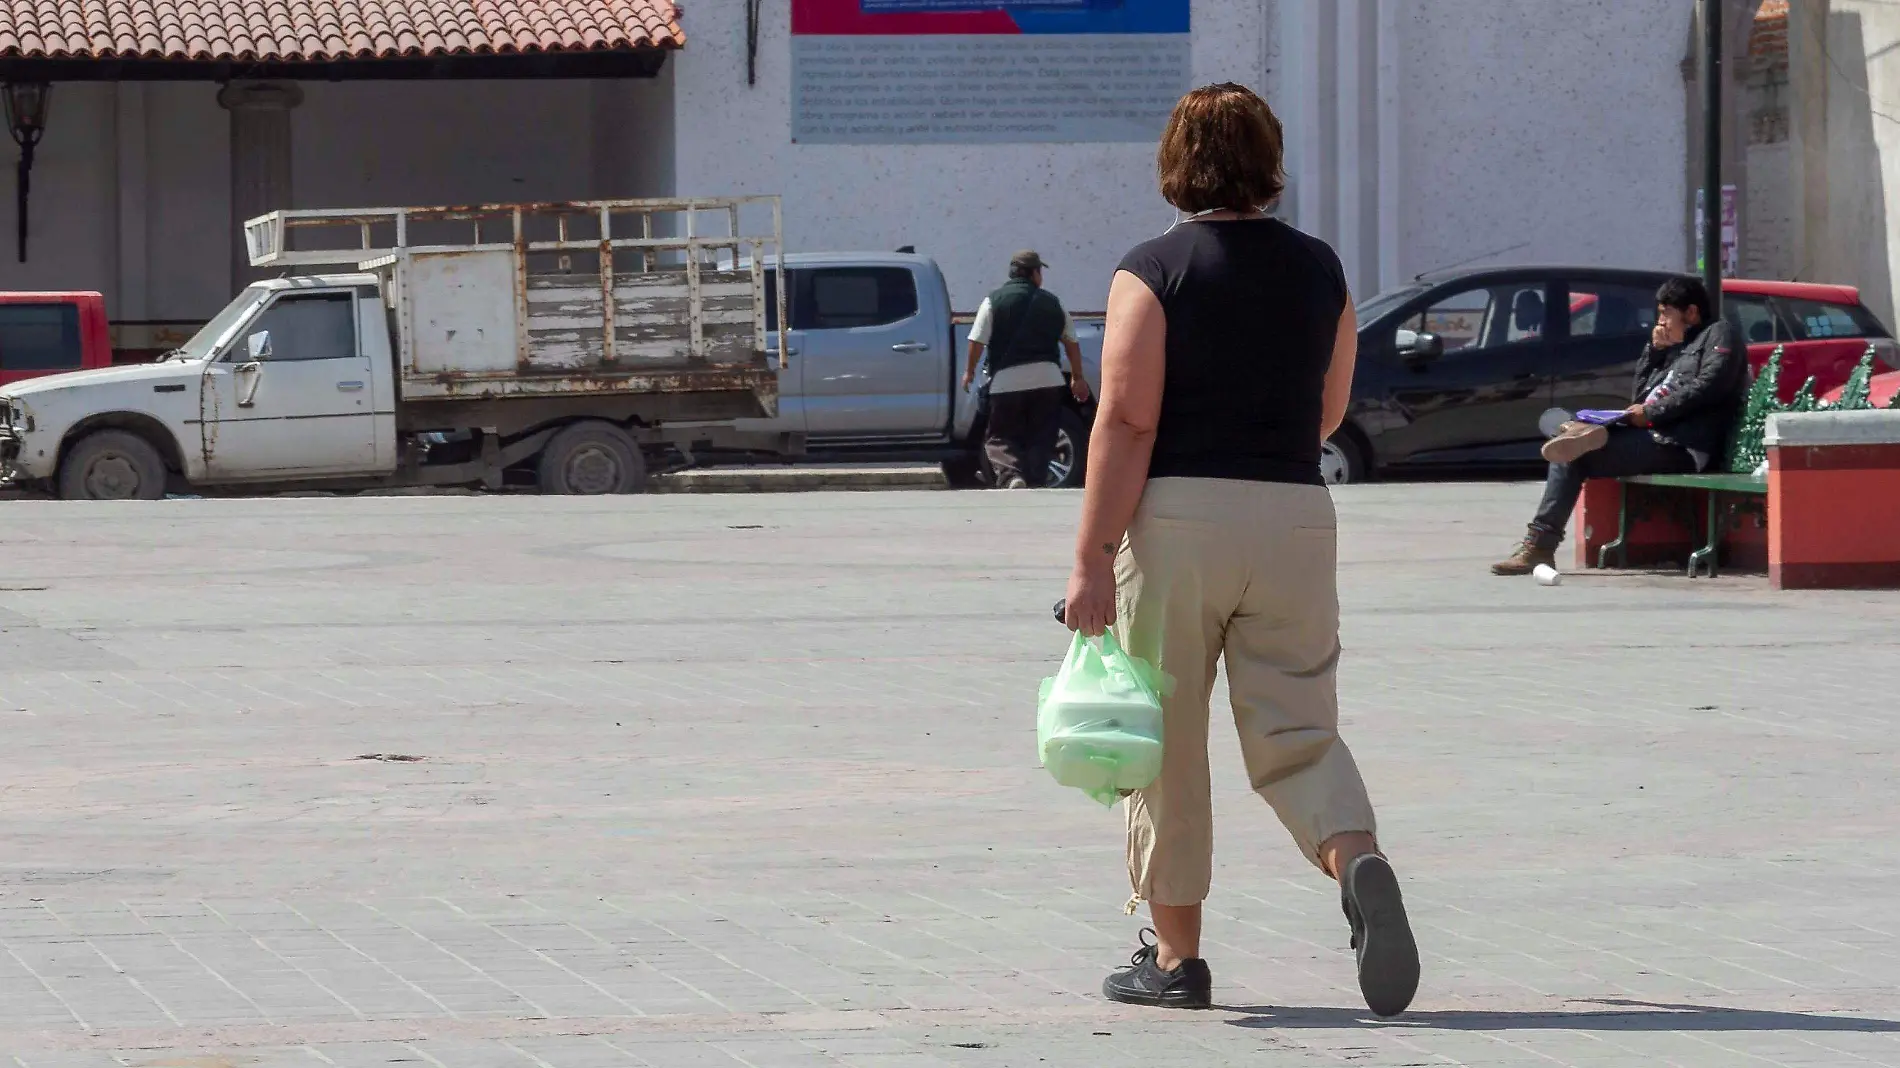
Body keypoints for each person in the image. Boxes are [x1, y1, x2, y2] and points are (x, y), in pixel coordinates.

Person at [1061, 82, 1420, 1018]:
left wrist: (1092, 555)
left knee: (1167, 742)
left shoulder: (1152, 269)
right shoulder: (1322, 271)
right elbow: (1329, 411)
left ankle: (1176, 962)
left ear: (1176, 166)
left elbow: (1129, 421)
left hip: (1180, 518)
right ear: (1269, 162)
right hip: (1296, 514)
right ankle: (1357, 858)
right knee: (1298, 727)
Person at [1492, 276, 1745, 576]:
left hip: (1681, 444)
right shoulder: (1679, 347)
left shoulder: (1719, 334)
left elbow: (1709, 386)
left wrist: (1652, 413)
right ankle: (1582, 431)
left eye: (1666, 313)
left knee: (1572, 453)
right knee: (1574, 442)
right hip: (1651, 433)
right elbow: (1639, 395)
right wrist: (1655, 352)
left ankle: (1539, 546)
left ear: (1691, 313)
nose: (1661, 321)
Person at [962, 251, 1092, 488]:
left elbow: (976, 341)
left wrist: (969, 372)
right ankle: (1036, 479)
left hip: (1005, 382)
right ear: (1034, 274)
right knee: (1043, 434)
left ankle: (1012, 476)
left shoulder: (993, 300)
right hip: (1048, 380)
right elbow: (1071, 341)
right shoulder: (1053, 302)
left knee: (1000, 436)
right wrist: (1077, 377)